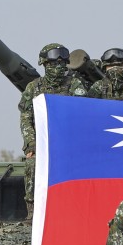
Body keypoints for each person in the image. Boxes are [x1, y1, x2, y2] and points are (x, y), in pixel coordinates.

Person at [18, 43, 88, 220]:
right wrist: (30, 145)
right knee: (32, 166)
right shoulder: (33, 88)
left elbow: (81, 114)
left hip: (68, 144)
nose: (57, 68)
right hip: (41, 144)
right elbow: (26, 118)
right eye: (52, 64)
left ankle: (75, 208)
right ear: (44, 64)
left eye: (61, 64)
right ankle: (32, 212)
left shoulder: (75, 85)